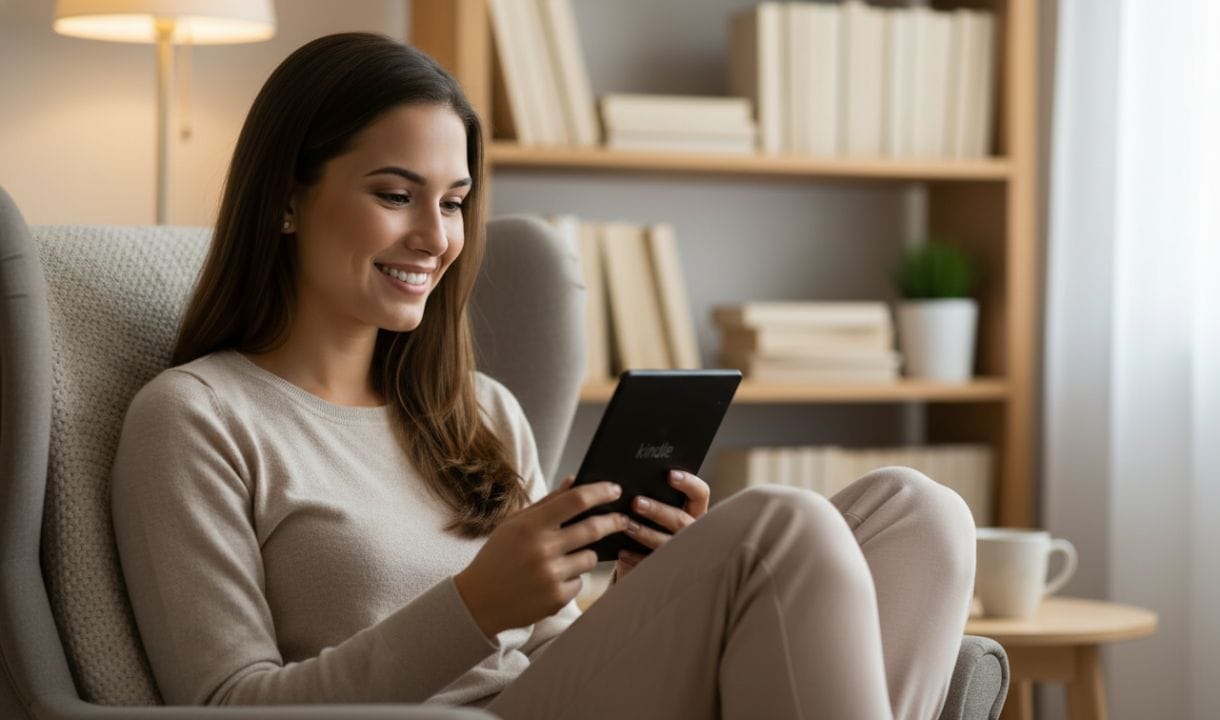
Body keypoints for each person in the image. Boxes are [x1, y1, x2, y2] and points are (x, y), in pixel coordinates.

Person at [110, 32, 976, 720]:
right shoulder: (197, 418)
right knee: (780, 523)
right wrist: (472, 606)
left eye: (452, 202)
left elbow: (555, 656)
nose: (435, 237)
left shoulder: (477, 411)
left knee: (920, 512)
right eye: (393, 193)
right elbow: (223, 705)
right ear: (287, 200)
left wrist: (650, 595)